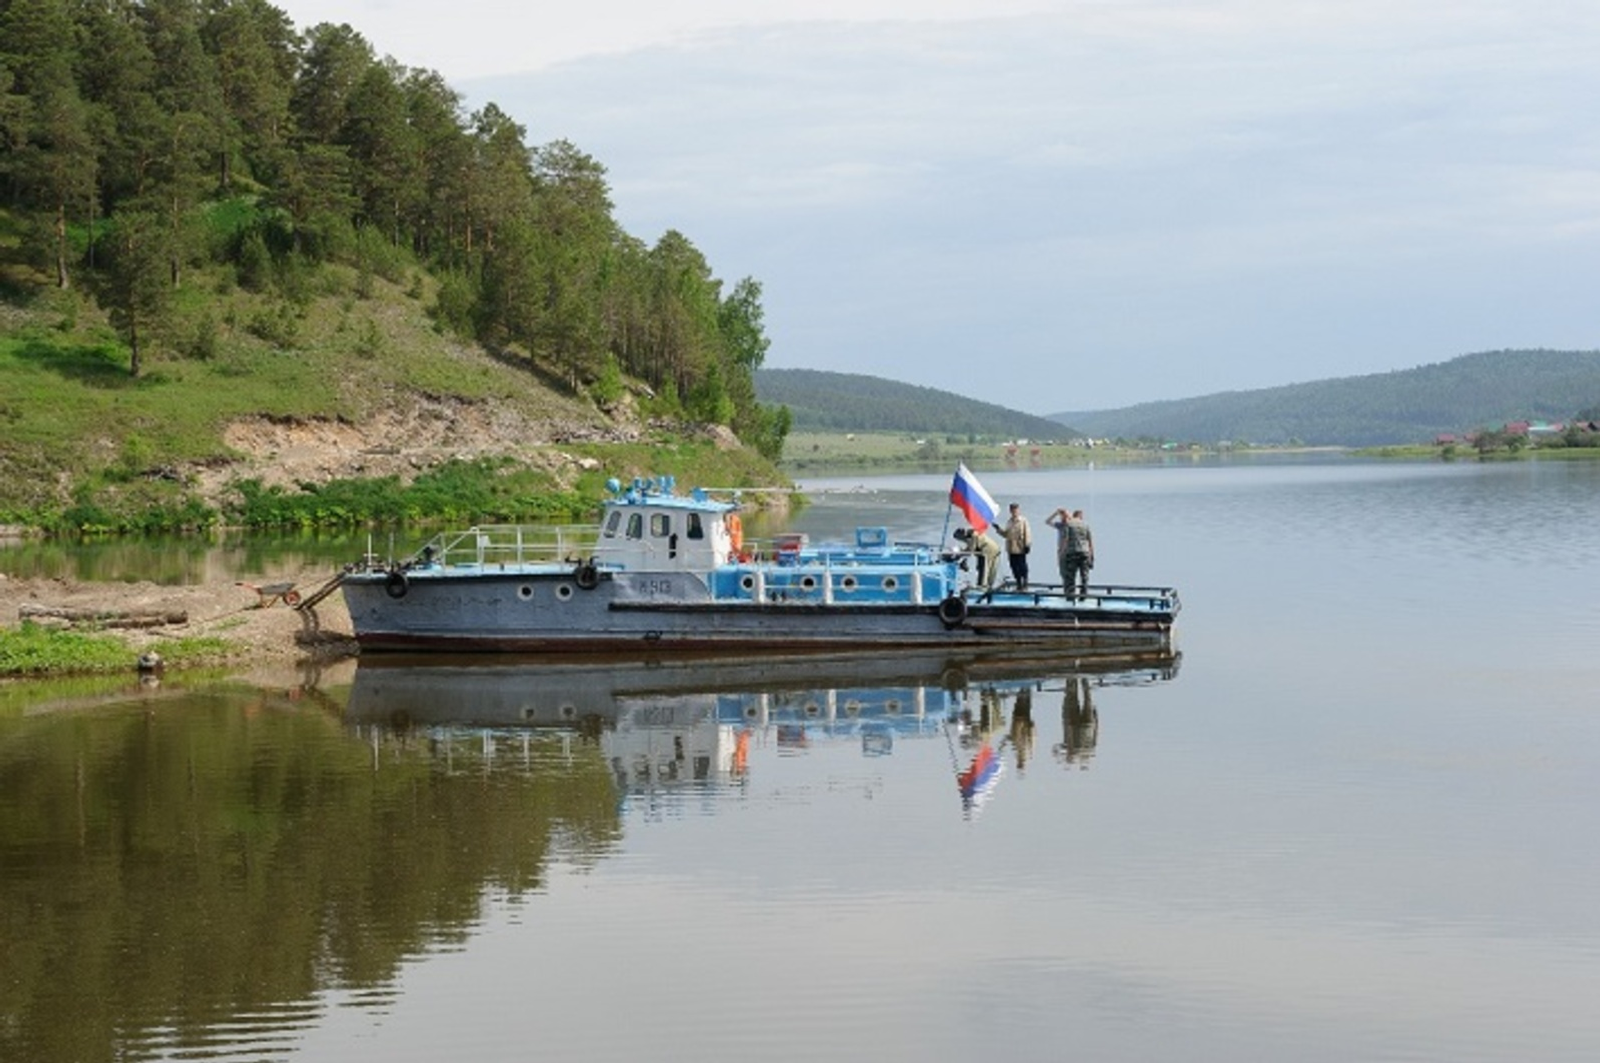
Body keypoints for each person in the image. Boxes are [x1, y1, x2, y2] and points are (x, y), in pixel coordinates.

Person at [1046, 506, 1094, 594]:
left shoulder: (1069, 525)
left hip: (1070, 552)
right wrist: (1092, 556)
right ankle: (1082, 594)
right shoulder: (1084, 525)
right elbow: (1090, 542)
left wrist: (1061, 553)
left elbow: (1066, 540)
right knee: (1083, 576)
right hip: (1083, 552)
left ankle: (1070, 595)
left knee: (1070, 576)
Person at [953, 526, 1002, 593]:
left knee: (984, 569)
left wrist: (959, 555)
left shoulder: (973, 536)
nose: (961, 541)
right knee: (983, 568)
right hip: (989, 550)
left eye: (960, 539)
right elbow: (970, 548)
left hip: (988, 551)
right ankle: (986, 586)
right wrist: (962, 554)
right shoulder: (970, 535)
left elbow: (970, 550)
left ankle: (982, 587)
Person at [1002, 503, 1032, 589]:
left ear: (1018, 510)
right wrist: (999, 530)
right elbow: (1006, 534)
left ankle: (1025, 581)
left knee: (1022, 565)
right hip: (1011, 547)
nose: (1014, 512)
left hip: (1020, 547)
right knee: (1013, 566)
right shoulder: (1009, 522)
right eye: (1012, 510)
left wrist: (1027, 544)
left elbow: (1027, 533)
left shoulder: (1023, 521)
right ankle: (1018, 582)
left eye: (1015, 510)